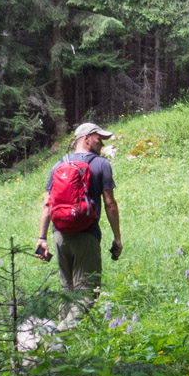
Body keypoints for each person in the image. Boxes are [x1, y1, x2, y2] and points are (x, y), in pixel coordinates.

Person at [34, 122, 122, 299]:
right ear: (87, 139)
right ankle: (72, 327)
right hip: (86, 234)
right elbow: (110, 203)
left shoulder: (58, 165)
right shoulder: (101, 164)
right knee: (86, 294)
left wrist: (42, 238)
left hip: (59, 234)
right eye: (99, 139)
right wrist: (117, 237)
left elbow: (47, 204)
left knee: (67, 292)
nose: (102, 144)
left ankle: (63, 325)